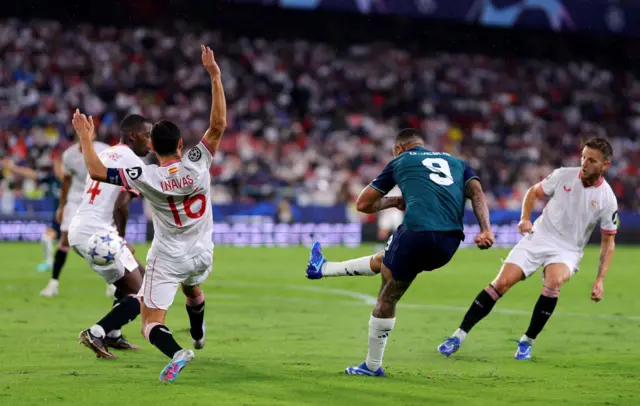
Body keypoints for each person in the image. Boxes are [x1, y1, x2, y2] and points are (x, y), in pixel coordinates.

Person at [72, 45, 226, 382]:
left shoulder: (146, 176)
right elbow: (218, 125)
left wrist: (86, 138)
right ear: (182, 144)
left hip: (169, 256)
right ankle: (198, 335)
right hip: (202, 253)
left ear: (152, 148)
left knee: (150, 322)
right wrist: (214, 75)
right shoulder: (199, 163)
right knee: (194, 290)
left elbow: (98, 171)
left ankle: (178, 352)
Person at [307, 128, 494, 376]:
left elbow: (363, 204)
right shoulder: (458, 163)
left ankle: (372, 366)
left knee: (387, 296)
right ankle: (324, 268)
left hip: (416, 232)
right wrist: (486, 230)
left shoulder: (401, 160)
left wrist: (395, 201)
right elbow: (477, 193)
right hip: (449, 243)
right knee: (388, 259)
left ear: (399, 148)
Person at [437, 138, 618, 361]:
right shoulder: (563, 175)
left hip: (568, 249)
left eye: (591, 160)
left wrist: (600, 279)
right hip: (539, 236)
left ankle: (527, 341)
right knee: (501, 283)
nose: (584, 163)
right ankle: (458, 336)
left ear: (605, 166)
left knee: (553, 282)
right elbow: (533, 192)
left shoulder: (607, 199)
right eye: (583, 157)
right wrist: (524, 218)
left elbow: (608, 242)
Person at [71, 114, 152, 358]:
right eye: (147, 136)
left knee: (141, 275)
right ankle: (97, 331)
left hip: (83, 228)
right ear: (132, 135)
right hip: (99, 234)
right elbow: (122, 204)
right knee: (143, 293)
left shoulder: (106, 153)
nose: (150, 142)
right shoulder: (134, 163)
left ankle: (114, 334)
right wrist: (122, 239)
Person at [39, 134, 110, 297]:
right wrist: (61, 206)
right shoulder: (69, 155)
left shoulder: (105, 151)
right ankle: (53, 284)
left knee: (105, 240)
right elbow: (66, 182)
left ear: (93, 133)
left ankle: (113, 283)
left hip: (97, 200)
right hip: (75, 201)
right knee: (65, 240)